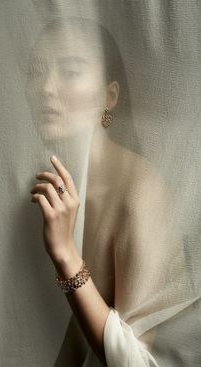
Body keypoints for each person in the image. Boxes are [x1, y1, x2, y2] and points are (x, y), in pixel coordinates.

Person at [26, 17, 198, 367]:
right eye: (36, 71)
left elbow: (136, 362)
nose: (45, 87)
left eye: (70, 71)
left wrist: (65, 254)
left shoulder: (139, 192)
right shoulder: (58, 187)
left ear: (110, 95)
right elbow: (77, 338)